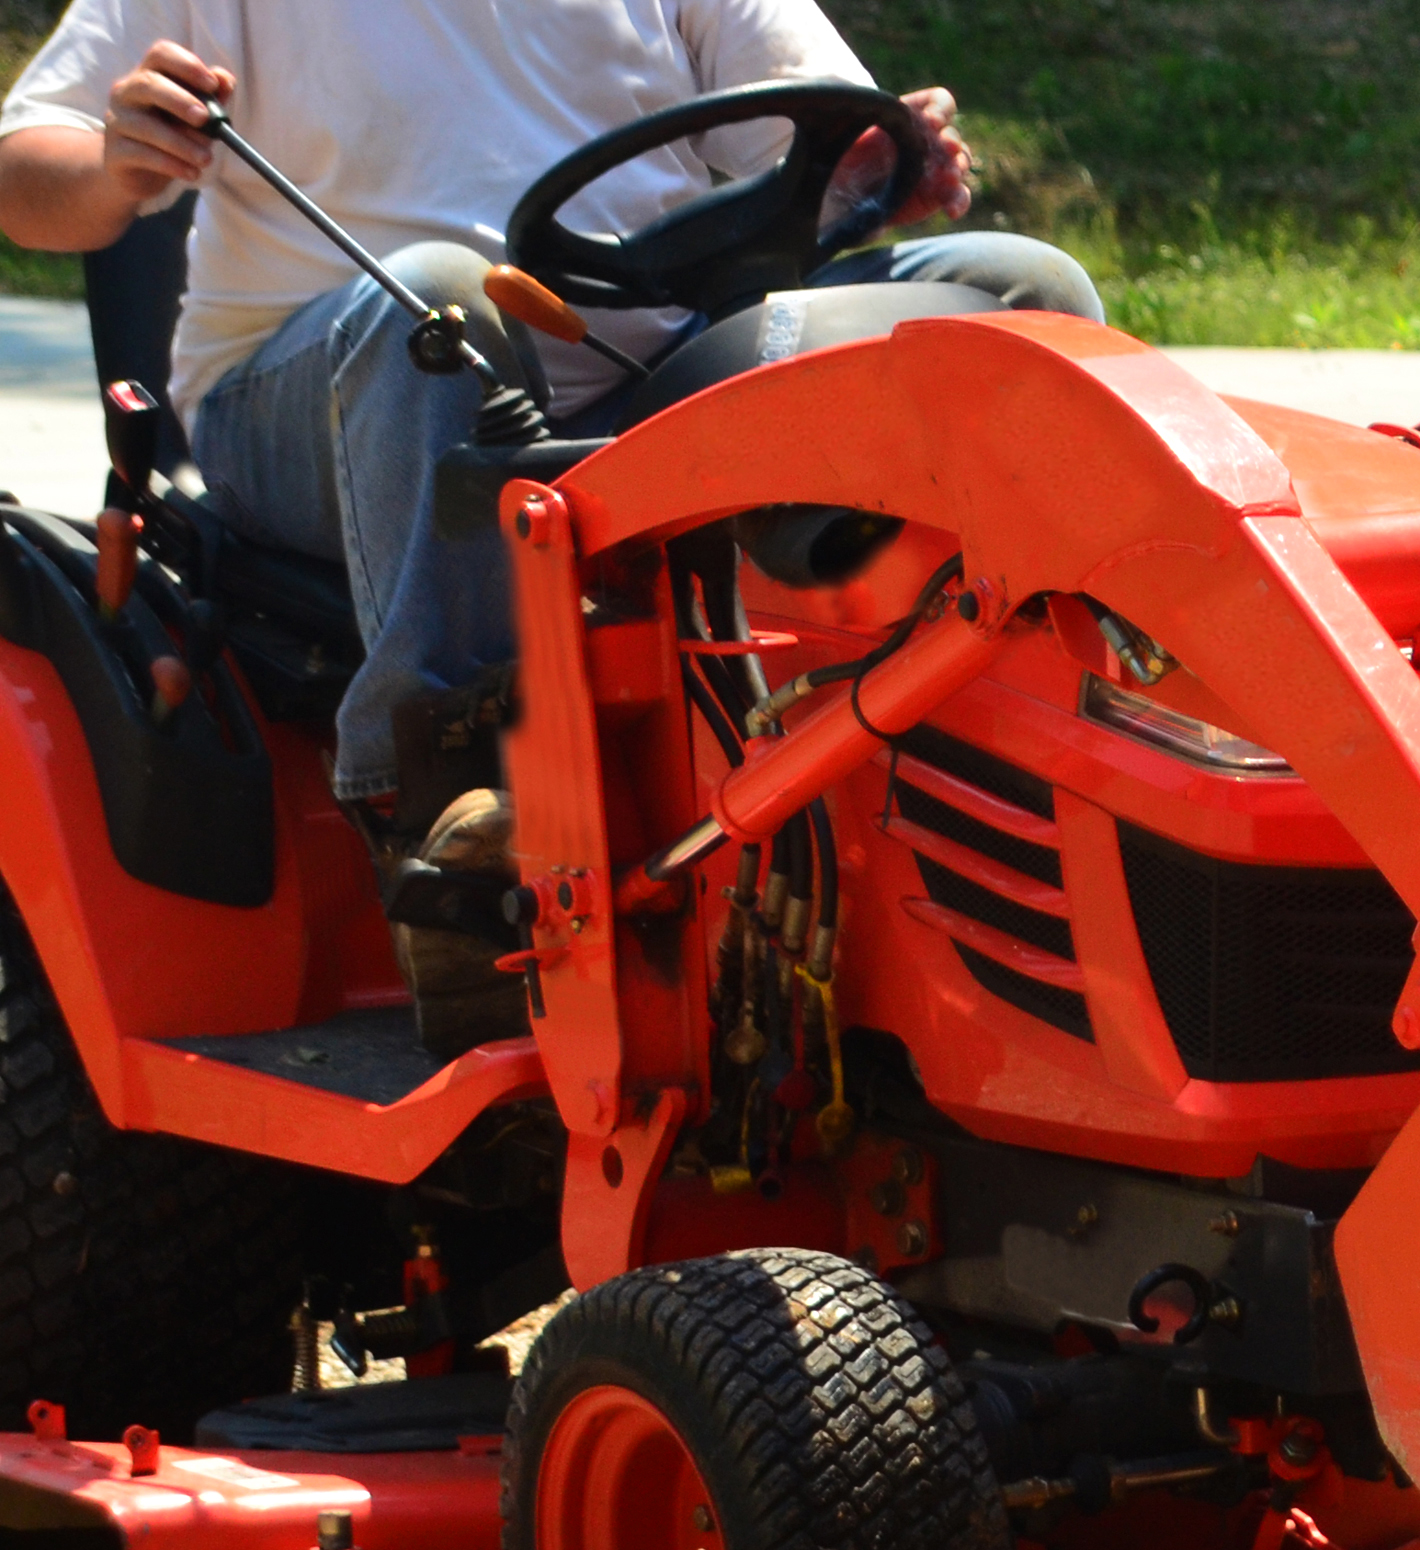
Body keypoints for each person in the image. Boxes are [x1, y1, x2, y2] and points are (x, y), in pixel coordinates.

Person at [0, 1, 1101, 1033]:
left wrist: (876, 172)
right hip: (318, 393)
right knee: (437, 302)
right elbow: (20, 172)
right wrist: (112, 161)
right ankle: (445, 826)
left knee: (1016, 291)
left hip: (648, 369)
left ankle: (1048, 718)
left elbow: (811, 140)